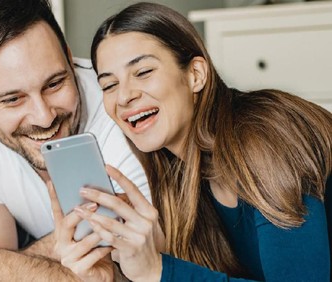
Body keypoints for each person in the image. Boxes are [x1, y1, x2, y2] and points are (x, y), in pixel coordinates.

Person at [50, 2, 332, 281]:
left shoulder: (265, 136)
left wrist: (157, 270)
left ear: (195, 75)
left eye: (143, 72)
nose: (123, 97)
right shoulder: (179, 178)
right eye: (109, 85)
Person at [0, 0, 150, 281]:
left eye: (55, 84)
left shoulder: (122, 113)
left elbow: (126, 272)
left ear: (69, 60)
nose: (44, 117)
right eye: (13, 99)